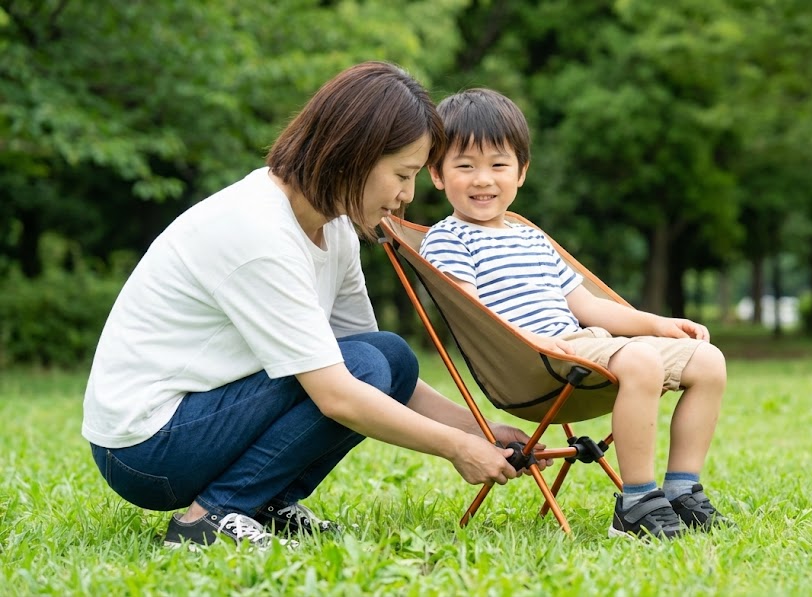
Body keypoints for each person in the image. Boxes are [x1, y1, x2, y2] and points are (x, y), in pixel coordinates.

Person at [82, 63, 544, 551]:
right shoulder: (258, 230)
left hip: (199, 420)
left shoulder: (335, 225)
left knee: (389, 355)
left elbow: (384, 375)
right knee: (364, 367)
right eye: (402, 175)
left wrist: (482, 429)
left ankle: (265, 504)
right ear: (355, 157)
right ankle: (210, 517)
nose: (407, 196)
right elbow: (342, 393)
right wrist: (457, 448)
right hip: (144, 448)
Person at [418, 88, 731, 540]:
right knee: (640, 361)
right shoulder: (448, 239)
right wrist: (530, 342)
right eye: (465, 165)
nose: (482, 179)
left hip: (580, 349)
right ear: (437, 174)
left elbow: (586, 306)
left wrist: (658, 324)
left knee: (708, 361)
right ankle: (637, 502)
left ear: (521, 172)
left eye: (498, 165)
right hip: (530, 363)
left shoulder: (528, 236)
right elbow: (474, 311)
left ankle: (682, 490)